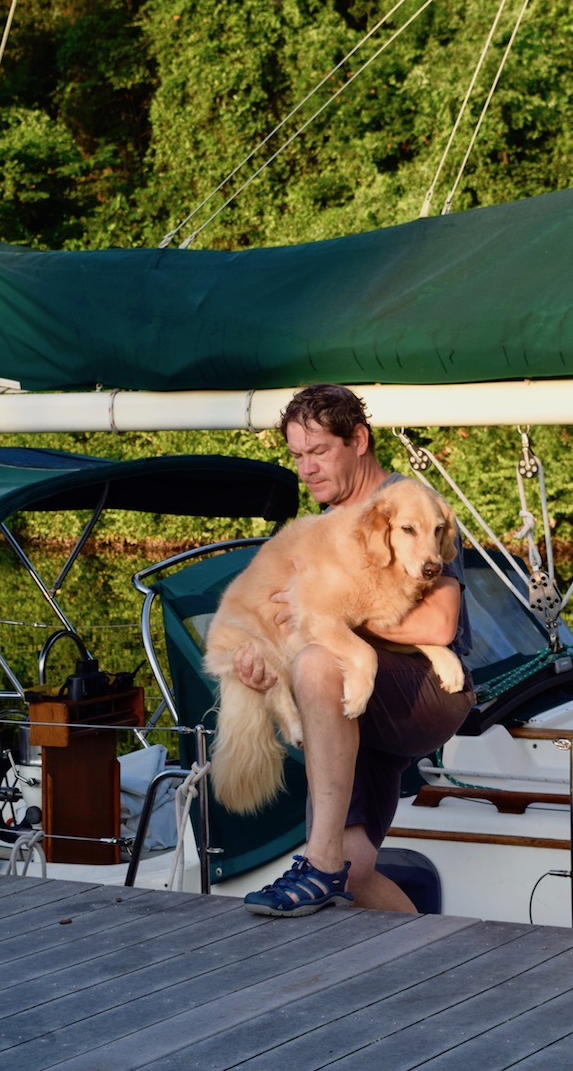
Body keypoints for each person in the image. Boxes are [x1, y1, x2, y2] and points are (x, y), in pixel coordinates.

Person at [236, 383, 475, 916]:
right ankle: (426, 957)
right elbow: (287, 621)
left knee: (320, 664)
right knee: (359, 868)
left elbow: (439, 624)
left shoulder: (410, 506)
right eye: (298, 455)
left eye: (319, 452)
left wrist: (326, 615)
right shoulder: (321, 526)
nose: (307, 469)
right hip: (353, 706)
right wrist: (263, 663)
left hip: (425, 690)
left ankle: (317, 864)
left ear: (359, 439)